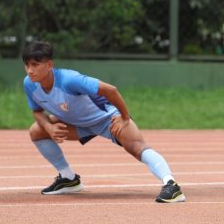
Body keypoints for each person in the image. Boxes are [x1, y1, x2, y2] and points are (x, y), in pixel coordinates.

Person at [22, 42, 185, 203]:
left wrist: (125, 117)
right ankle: (68, 178)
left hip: (107, 119)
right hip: (78, 124)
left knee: (136, 147)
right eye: (27, 65)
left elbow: (110, 90)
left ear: (49, 64)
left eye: (35, 65)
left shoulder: (69, 79)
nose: (30, 70)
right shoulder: (29, 84)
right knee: (37, 131)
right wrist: (49, 127)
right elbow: (37, 112)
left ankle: (171, 185)